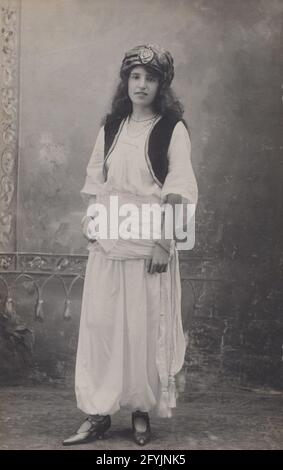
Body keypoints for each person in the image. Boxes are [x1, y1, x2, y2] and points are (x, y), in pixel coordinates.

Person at [62, 43, 198, 446]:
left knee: (141, 328)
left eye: (150, 78)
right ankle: (98, 413)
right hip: (109, 241)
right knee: (102, 326)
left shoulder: (172, 128)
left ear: (161, 85)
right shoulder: (111, 127)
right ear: (127, 82)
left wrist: (163, 243)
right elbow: (96, 183)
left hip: (149, 245)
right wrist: (95, 223)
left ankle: (140, 411)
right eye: (135, 77)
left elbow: (180, 188)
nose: (142, 85)